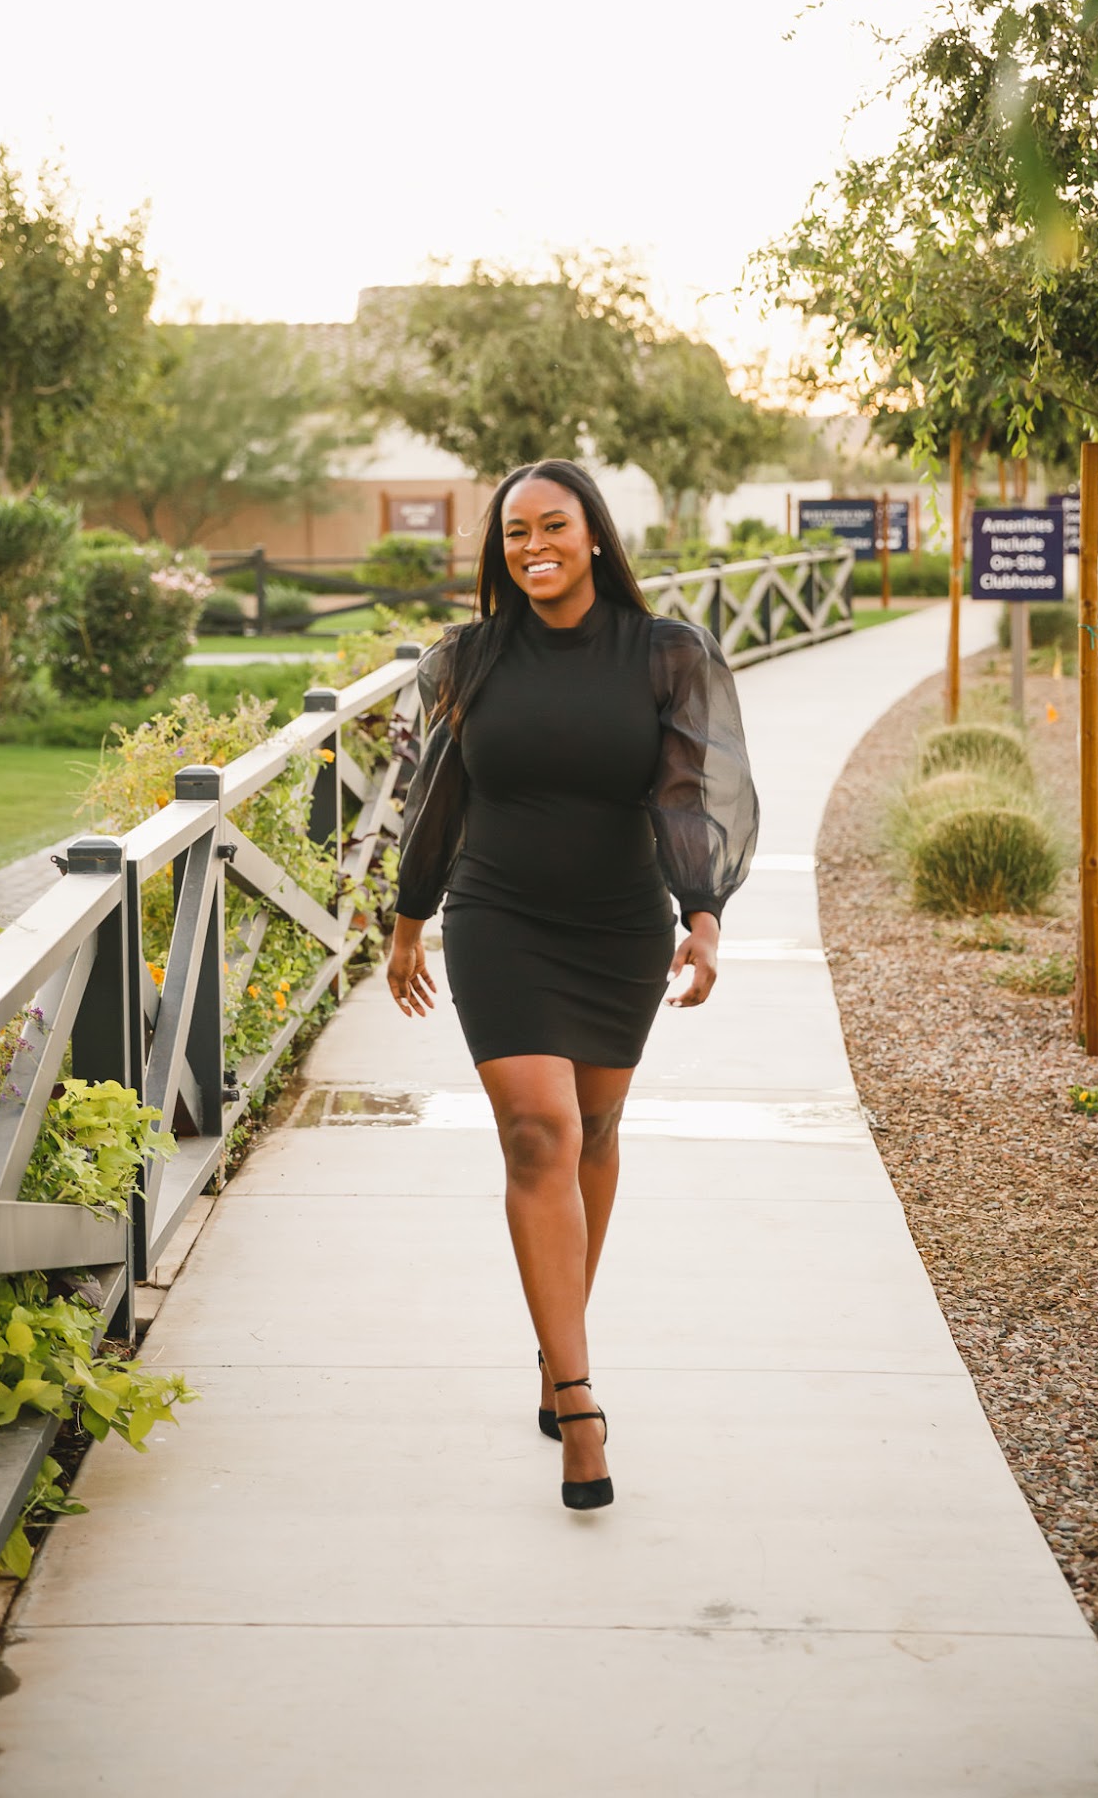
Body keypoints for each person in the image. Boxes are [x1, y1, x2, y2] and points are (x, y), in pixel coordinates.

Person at [386, 459, 759, 1510]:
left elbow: (688, 792)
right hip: (497, 915)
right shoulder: (468, 657)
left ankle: (557, 1351)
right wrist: (409, 924)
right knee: (539, 1131)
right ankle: (581, 1402)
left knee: (593, 1128)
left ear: (593, 533)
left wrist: (702, 914)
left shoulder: (666, 653)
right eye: (515, 533)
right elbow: (436, 795)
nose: (533, 546)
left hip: (616, 924)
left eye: (552, 525)